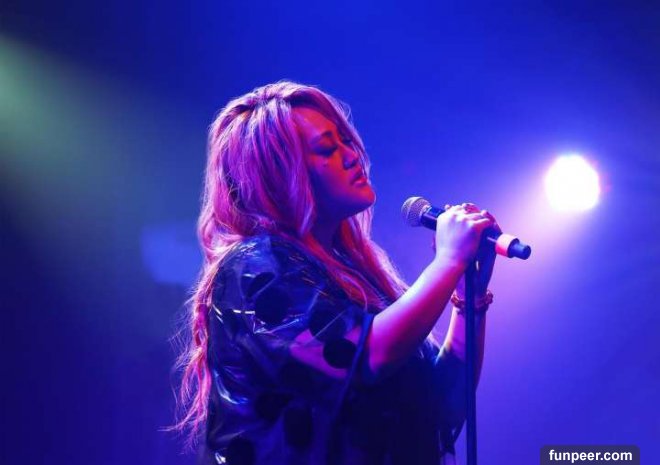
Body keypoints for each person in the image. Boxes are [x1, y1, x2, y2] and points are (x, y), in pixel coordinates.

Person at [172, 81, 500, 465]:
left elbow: (444, 406)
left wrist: (469, 297)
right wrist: (447, 261)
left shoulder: (356, 279)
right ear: (280, 176)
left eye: (346, 141)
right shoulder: (253, 269)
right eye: (328, 149)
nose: (351, 156)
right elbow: (364, 357)